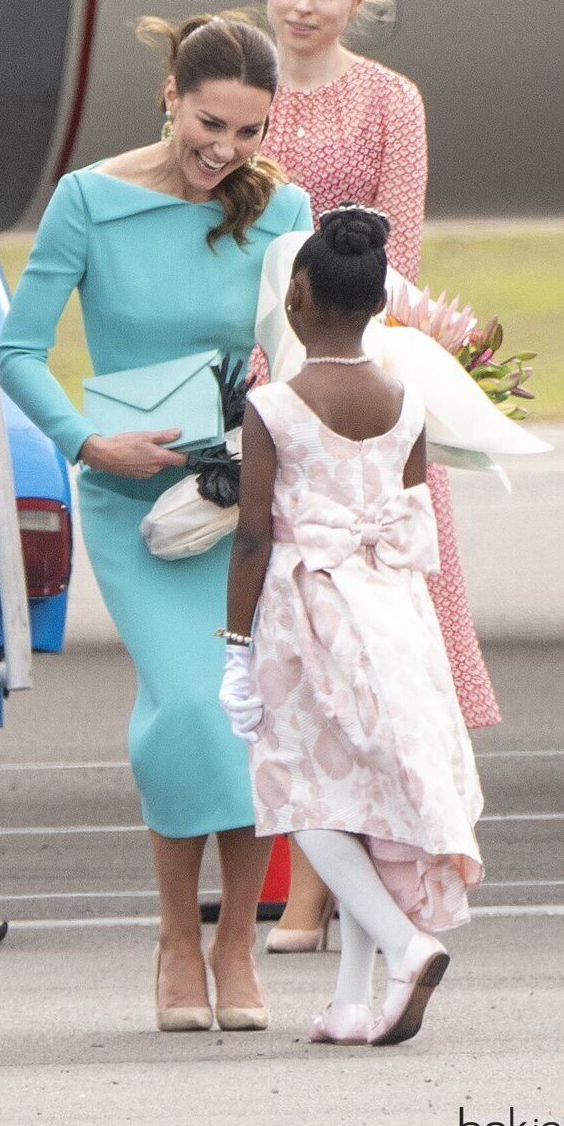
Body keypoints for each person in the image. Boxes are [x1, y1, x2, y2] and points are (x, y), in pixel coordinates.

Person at [0, 13, 311, 1031]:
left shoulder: (282, 209)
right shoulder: (88, 201)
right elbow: (18, 353)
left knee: (248, 711)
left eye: (249, 132)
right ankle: (178, 933)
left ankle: (234, 944)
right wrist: (86, 442)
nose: (225, 150)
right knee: (188, 704)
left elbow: (297, 354)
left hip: (239, 503)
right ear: (168, 96)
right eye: (208, 123)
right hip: (132, 498)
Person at [255, 0, 499, 952]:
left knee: (379, 644)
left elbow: (392, 251)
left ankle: (335, 888)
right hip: (267, 381)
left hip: (357, 383)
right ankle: (312, 873)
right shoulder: (237, 85)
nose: (302, 5)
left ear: (360, 2)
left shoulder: (389, 99)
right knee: (297, 641)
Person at [219, 204, 483, 1046]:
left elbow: (254, 534)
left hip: (311, 614)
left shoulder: (275, 406)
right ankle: (350, 999)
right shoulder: (405, 401)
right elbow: (408, 518)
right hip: (395, 610)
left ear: (296, 295)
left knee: (301, 793)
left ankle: (407, 946)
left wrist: (234, 647)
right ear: (377, 305)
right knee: (367, 798)